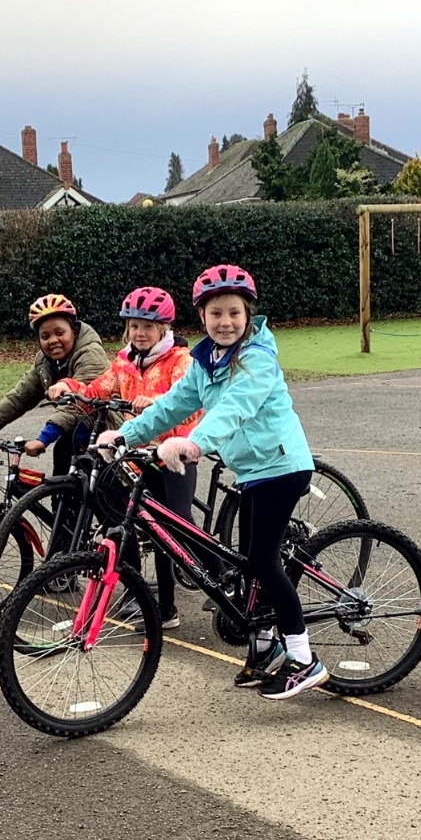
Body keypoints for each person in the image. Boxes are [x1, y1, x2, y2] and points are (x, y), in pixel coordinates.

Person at [98, 264, 327, 701]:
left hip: (282, 466)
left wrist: (194, 443)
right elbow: (171, 406)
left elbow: (235, 407)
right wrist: (124, 435)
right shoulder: (205, 362)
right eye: (216, 313)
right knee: (248, 563)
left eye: (234, 313)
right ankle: (265, 649)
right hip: (252, 470)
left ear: (248, 315)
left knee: (263, 561)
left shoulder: (257, 357)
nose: (226, 322)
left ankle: (303, 659)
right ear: (201, 316)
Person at [46, 286, 199, 628]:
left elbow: (187, 401)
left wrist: (156, 403)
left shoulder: (180, 360)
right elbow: (98, 388)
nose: (139, 333)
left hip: (174, 453)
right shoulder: (124, 361)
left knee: (176, 524)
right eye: (134, 326)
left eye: (148, 326)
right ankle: (151, 601)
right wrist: (70, 387)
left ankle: (222, 579)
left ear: (164, 328)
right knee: (140, 524)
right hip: (137, 457)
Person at [0, 295, 110, 476]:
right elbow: (19, 397)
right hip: (75, 432)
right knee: (64, 468)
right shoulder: (45, 362)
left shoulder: (90, 354)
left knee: (78, 464)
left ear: (75, 331)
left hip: (108, 431)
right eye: (45, 336)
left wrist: (44, 438)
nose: (53, 340)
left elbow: (76, 404)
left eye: (59, 333)